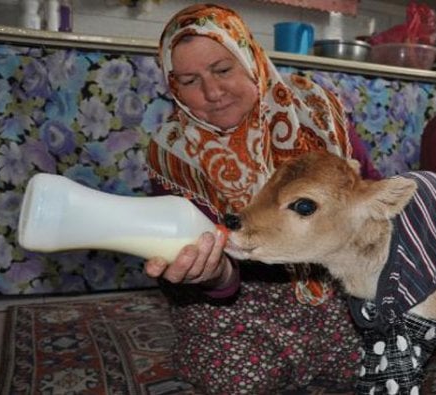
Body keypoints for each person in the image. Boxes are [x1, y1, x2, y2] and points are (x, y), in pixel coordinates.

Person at [142, 4, 381, 394]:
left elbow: (367, 189)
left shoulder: (316, 111)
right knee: (238, 378)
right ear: (173, 86)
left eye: (223, 70)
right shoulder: (171, 155)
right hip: (240, 300)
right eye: (189, 80)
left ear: (251, 58)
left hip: (332, 281)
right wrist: (211, 272)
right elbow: (193, 263)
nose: (213, 93)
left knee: (390, 357)